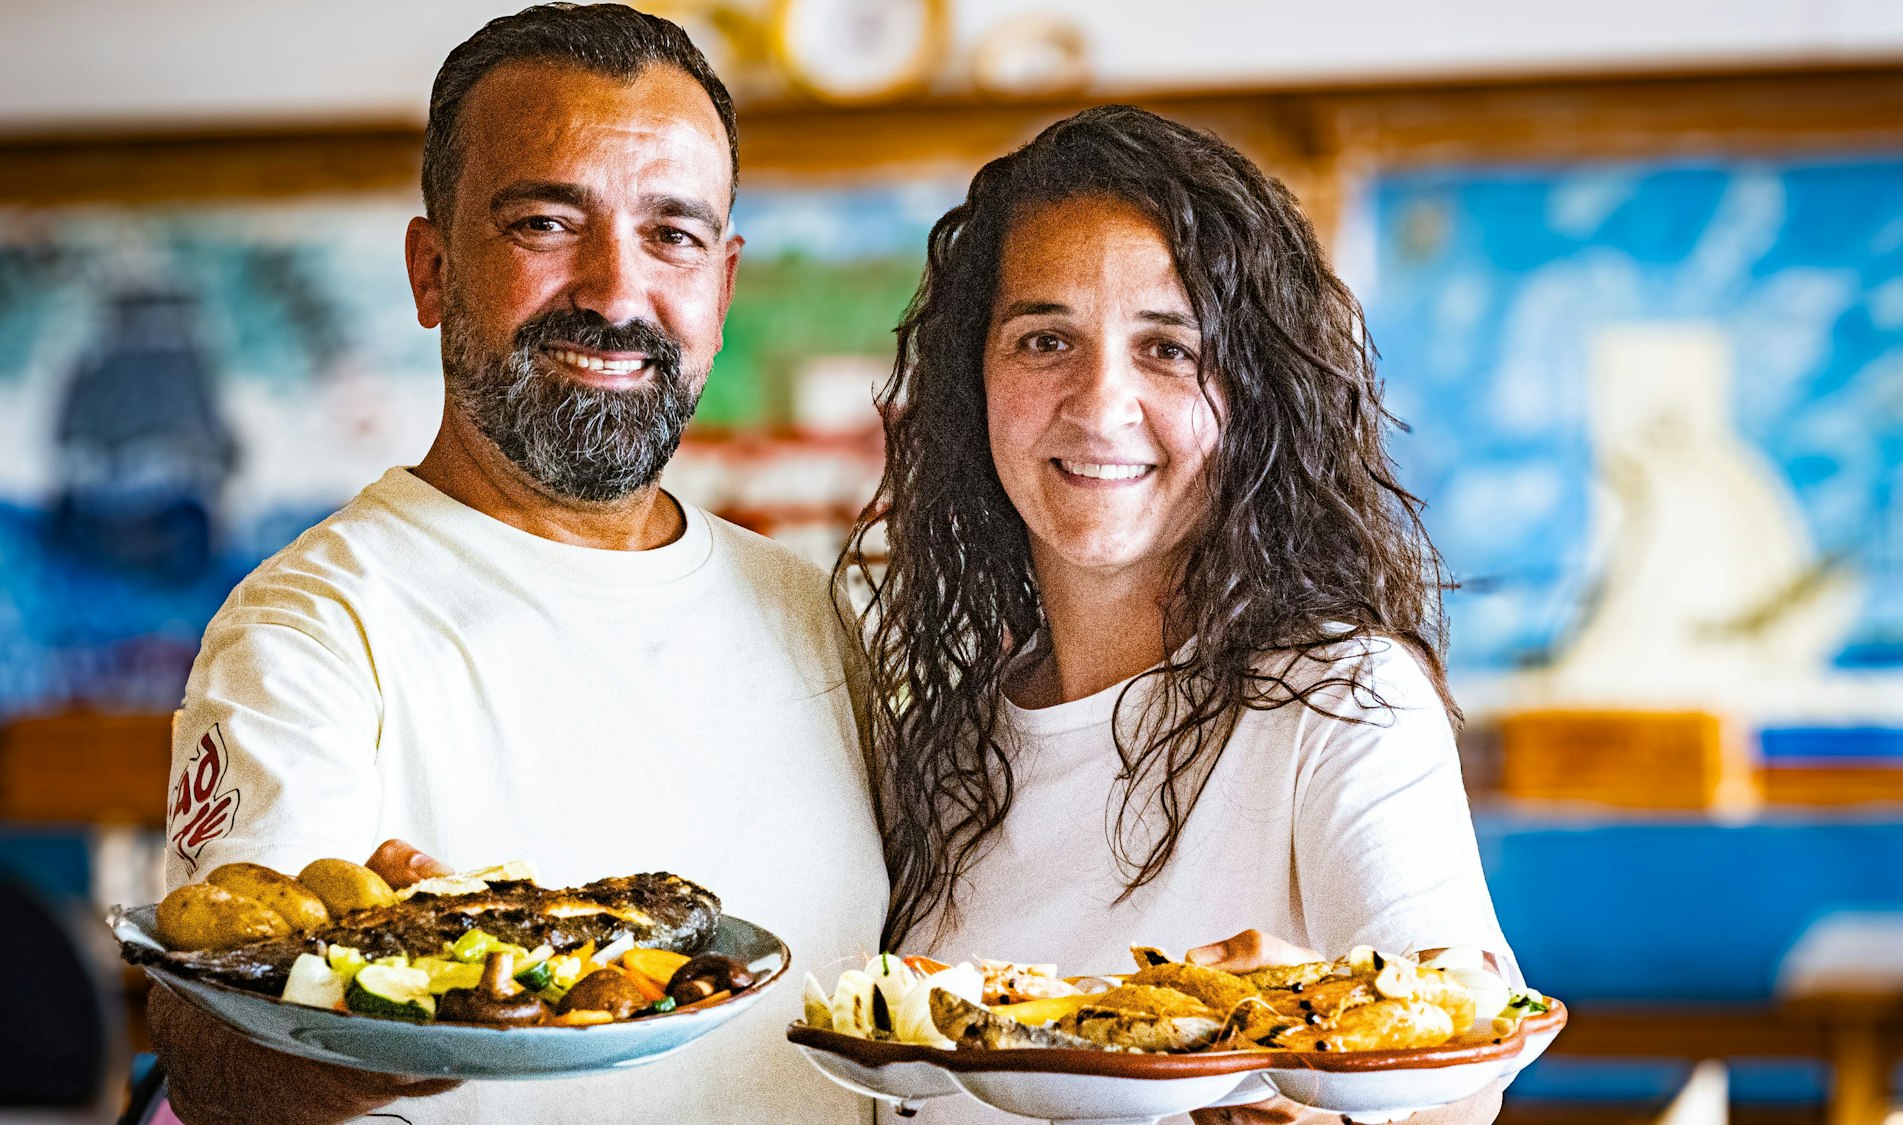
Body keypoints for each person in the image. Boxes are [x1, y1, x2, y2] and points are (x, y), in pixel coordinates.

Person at [146, 6, 885, 1123]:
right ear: (433, 269)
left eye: (672, 235)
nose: (615, 292)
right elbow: (215, 1060)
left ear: (722, 291)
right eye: (545, 222)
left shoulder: (811, 609)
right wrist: (403, 996)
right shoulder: (315, 627)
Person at [844, 105, 1513, 1124]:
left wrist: (1326, 1079)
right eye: (1043, 338)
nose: (1099, 402)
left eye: (1166, 348)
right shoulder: (945, 735)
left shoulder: (1340, 697)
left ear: (1255, 395)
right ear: (971, 383)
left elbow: (1457, 1060)